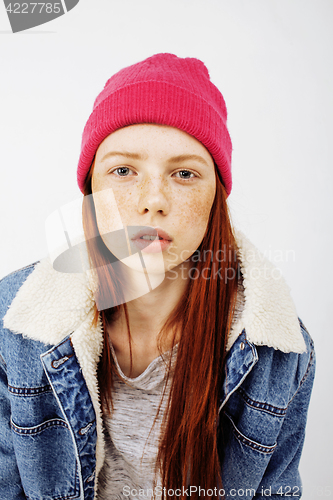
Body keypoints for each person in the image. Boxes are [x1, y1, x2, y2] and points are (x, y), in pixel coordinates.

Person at [0, 53, 315, 500]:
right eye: (123, 171)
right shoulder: (13, 321)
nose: (153, 200)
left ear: (215, 199)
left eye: (184, 173)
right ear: (91, 189)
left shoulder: (281, 351)